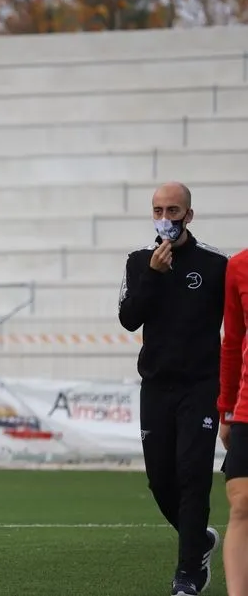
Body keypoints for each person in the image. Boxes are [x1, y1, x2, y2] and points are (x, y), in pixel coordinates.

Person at [118, 181, 229, 596]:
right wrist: (153, 274)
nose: (165, 219)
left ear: (189, 215)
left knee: (192, 475)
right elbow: (129, 318)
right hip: (156, 387)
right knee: (161, 480)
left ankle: (188, 573)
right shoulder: (138, 262)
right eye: (158, 210)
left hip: (201, 386)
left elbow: (234, 325)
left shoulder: (216, 264)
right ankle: (199, 540)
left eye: (173, 211)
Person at [217, 248, 248, 595]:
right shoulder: (238, 267)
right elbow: (233, 341)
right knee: (241, 501)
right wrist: (225, 409)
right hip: (246, 408)